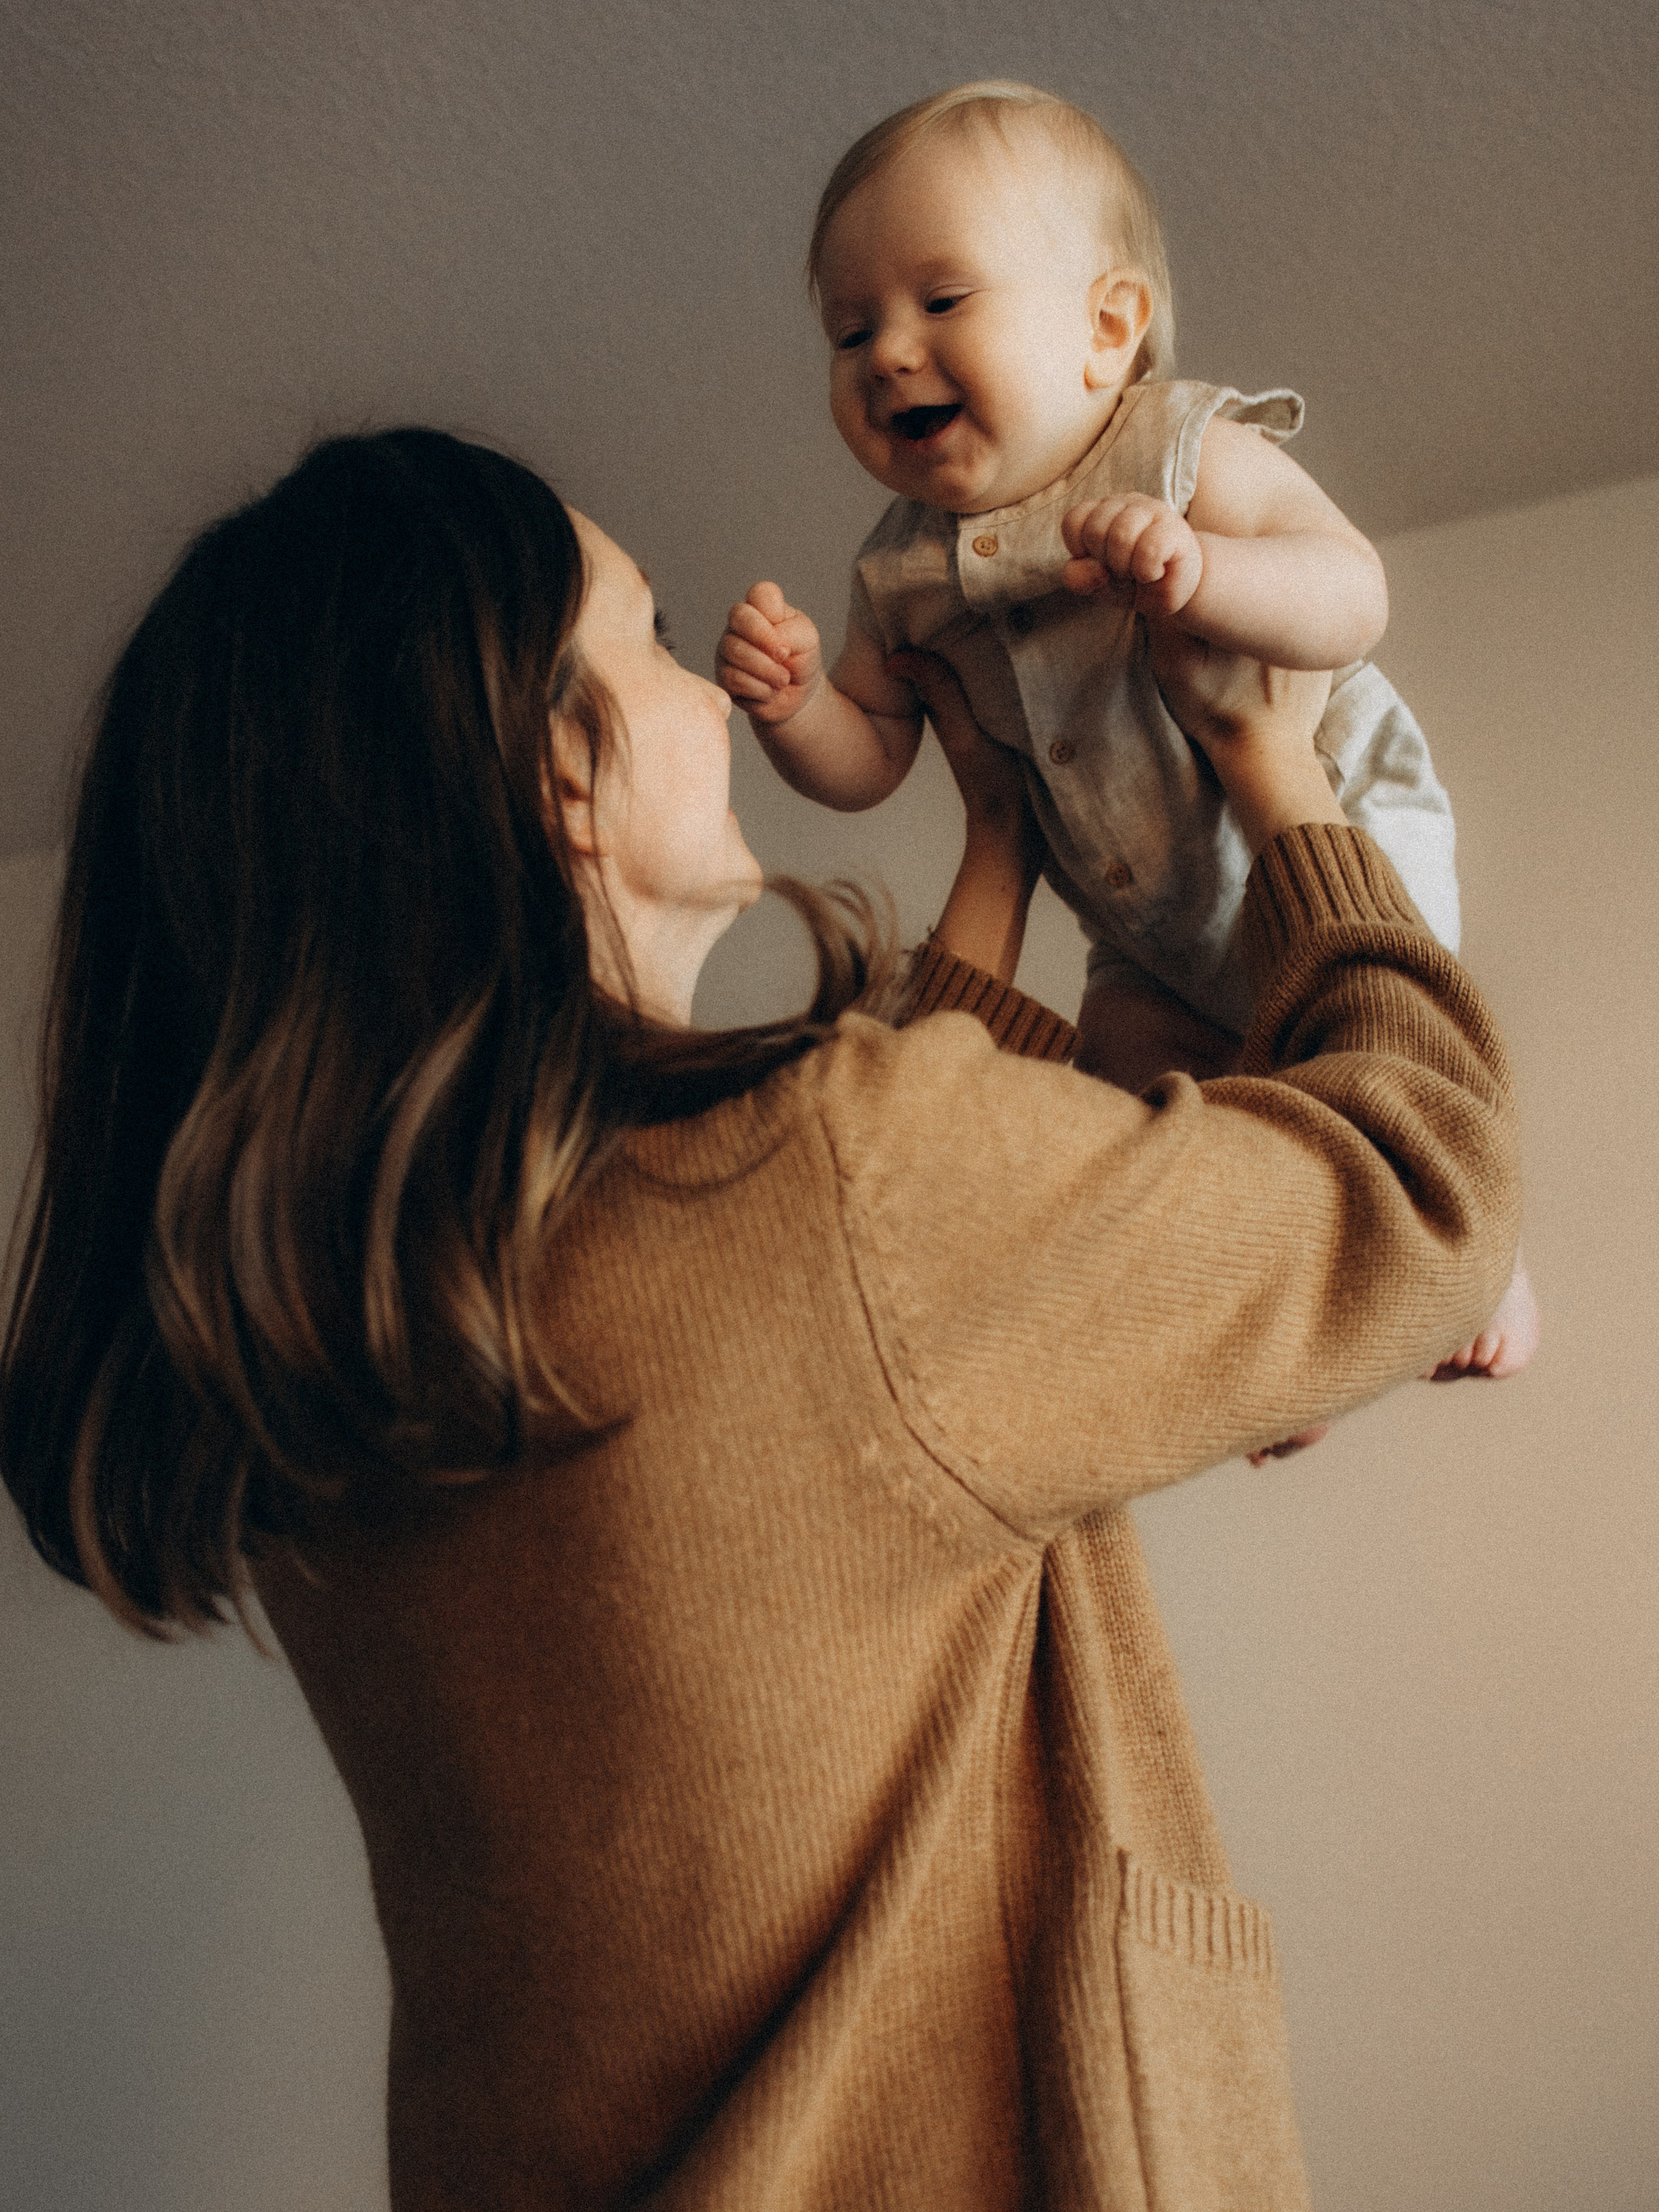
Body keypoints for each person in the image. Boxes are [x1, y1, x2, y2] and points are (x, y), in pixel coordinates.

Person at [1, 428, 1520, 2210]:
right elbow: (1427, 1188)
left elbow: (833, 1392)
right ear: (558, 769)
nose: (708, 696)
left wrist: (1000, 851)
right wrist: (1273, 761)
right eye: (647, 637)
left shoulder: (352, 1359)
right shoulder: (827, 1196)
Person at [717, 78, 1537, 1378]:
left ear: (1107, 331)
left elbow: (1352, 593)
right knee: (1137, 1116)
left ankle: (1487, 1255)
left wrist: (1207, 573)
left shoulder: (1176, 453)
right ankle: (1270, 1353)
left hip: (1331, 825)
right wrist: (797, 708)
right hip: (1144, 944)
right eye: (849, 329)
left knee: (1389, 1046)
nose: (886, 352)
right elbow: (872, 756)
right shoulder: (900, 571)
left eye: (941, 301)